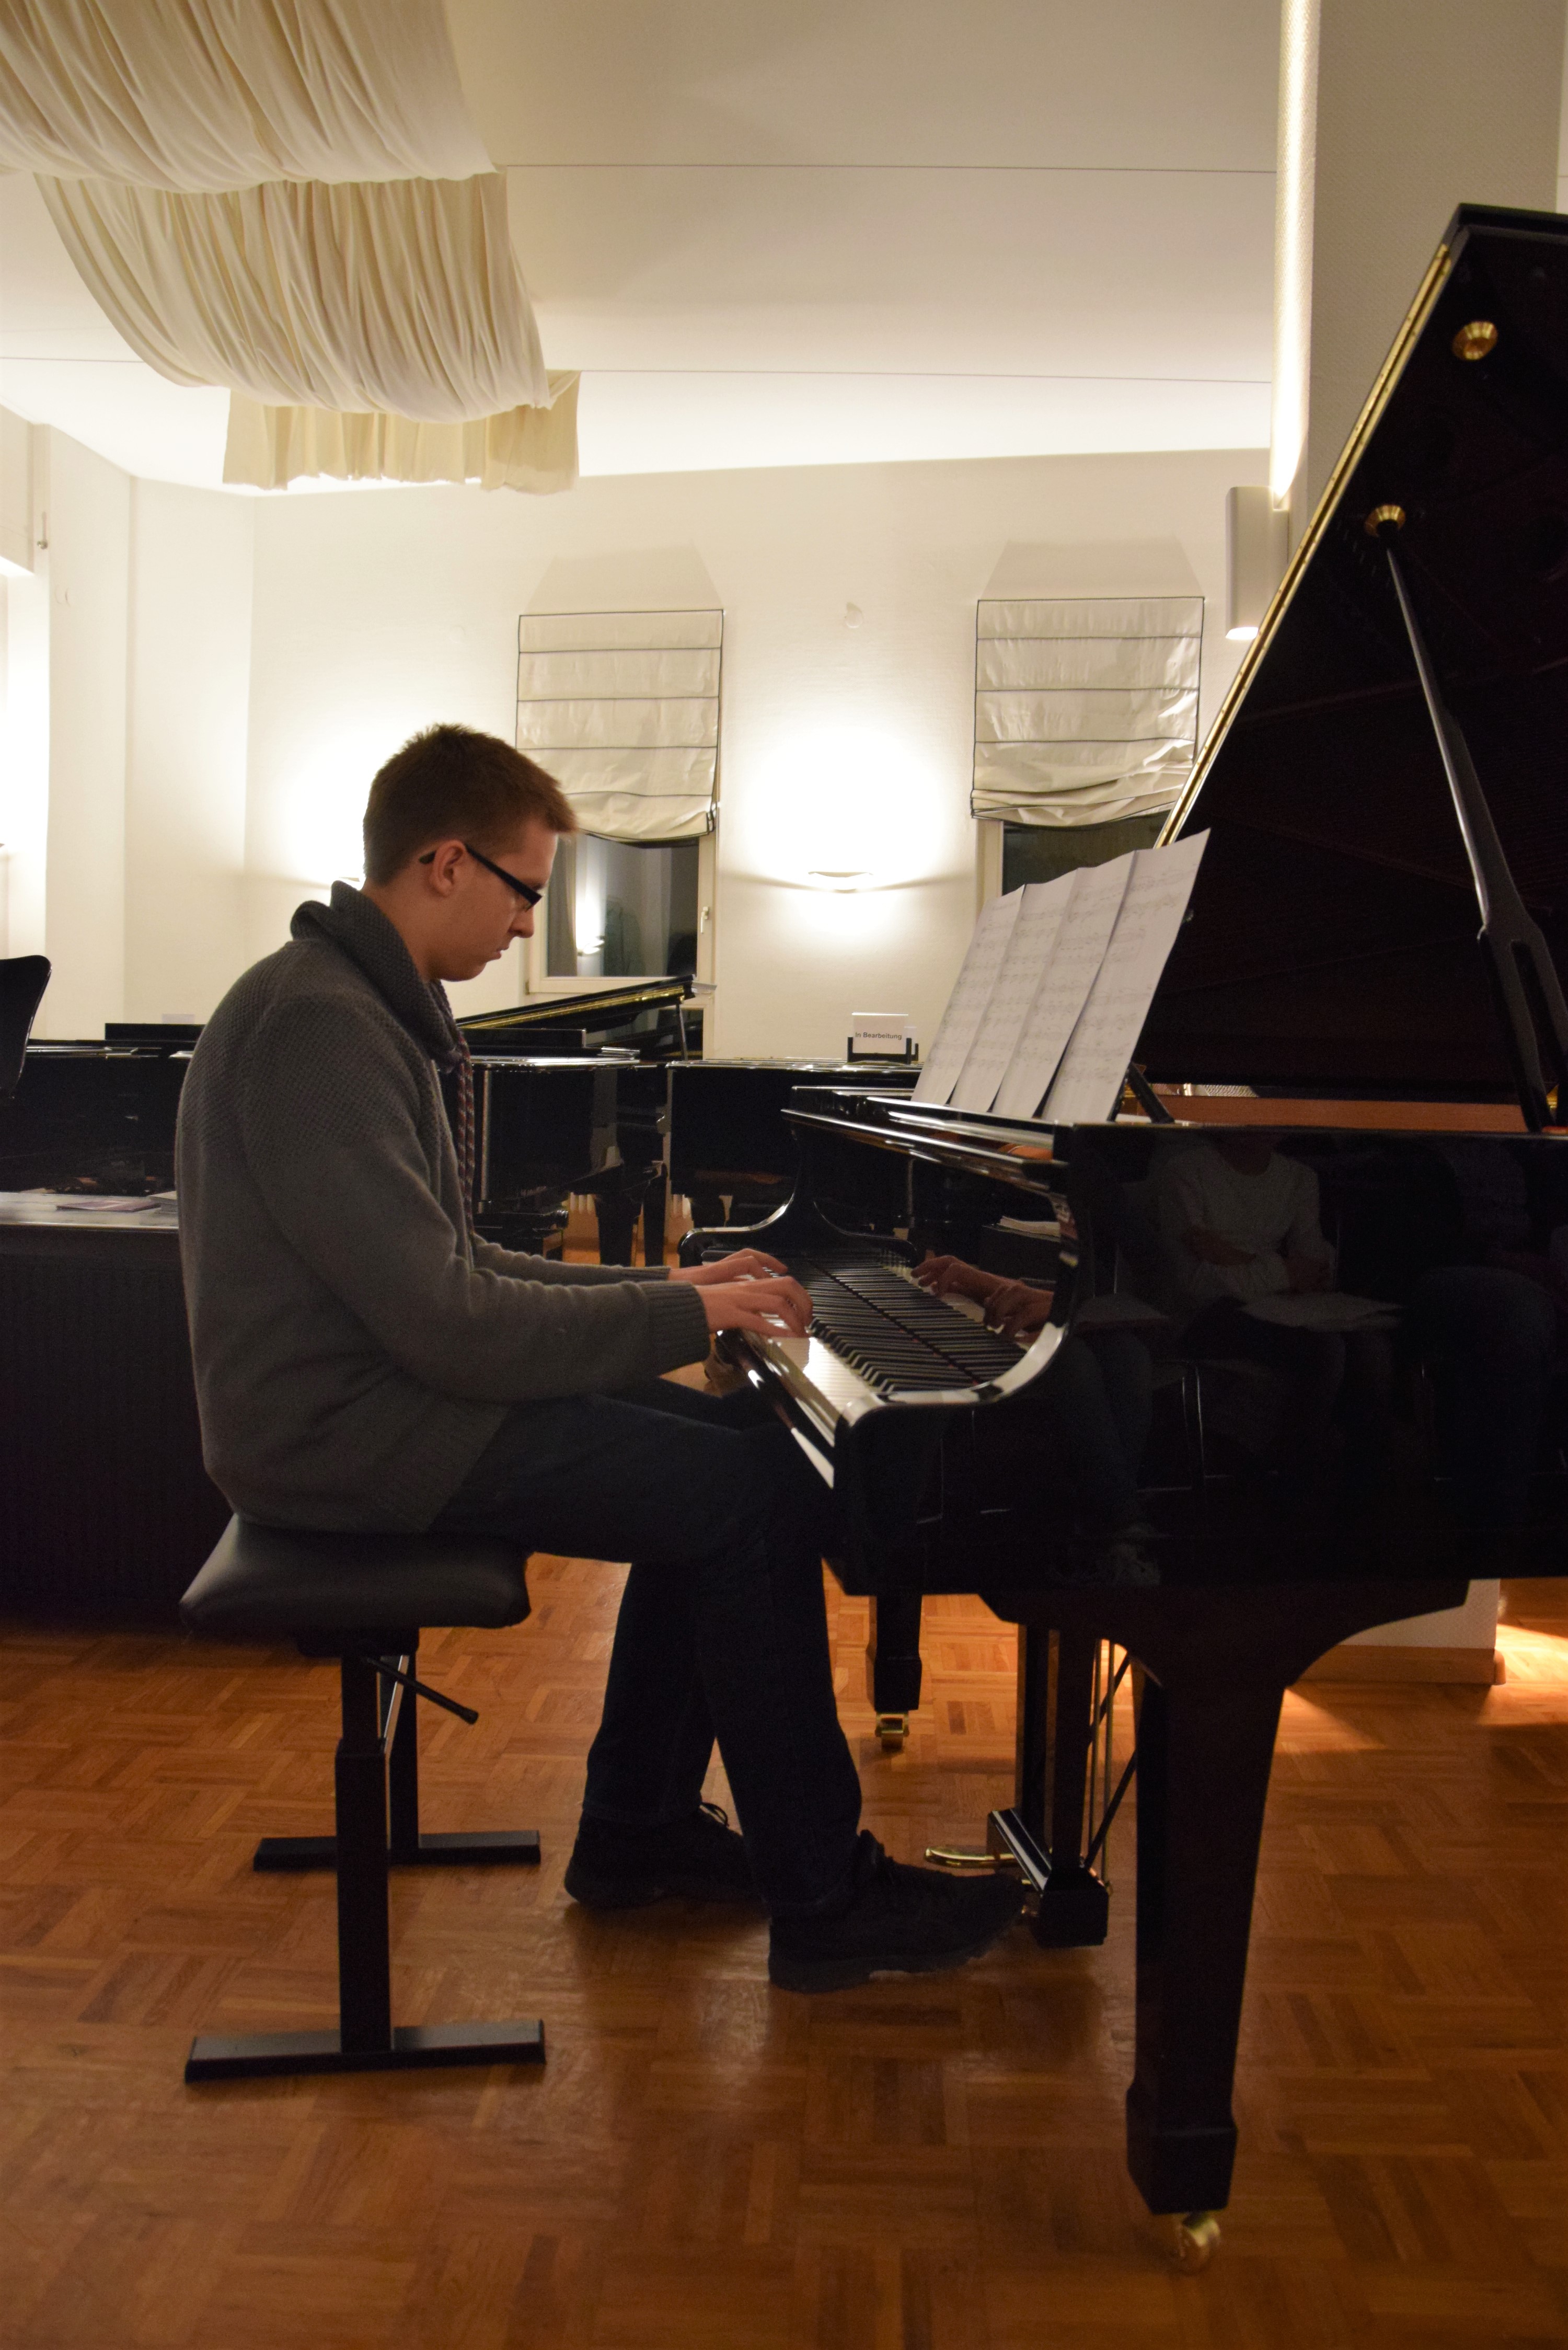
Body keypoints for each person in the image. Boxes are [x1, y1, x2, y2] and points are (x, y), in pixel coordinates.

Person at [176, 723, 1021, 1992]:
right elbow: (453, 1321)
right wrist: (687, 1317)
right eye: (524, 888)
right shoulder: (322, 1028)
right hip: (344, 1438)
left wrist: (675, 1288)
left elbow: (455, 1266)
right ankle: (823, 1896)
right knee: (750, 1502)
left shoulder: (354, 1005)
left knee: (743, 1456)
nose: (529, 921)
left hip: (384, 1400)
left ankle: (639, 1831)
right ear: (445, 863)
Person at [1153, 1132, 1393, 1488]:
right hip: (1202, 1315)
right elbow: (1197, 1285)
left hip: (1275, 1304)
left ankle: (1360, 1487)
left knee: (1371, 1345)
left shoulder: (1297, 1177)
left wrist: (1236, 1258)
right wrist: (1284, 1272)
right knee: (1324, 1351)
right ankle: (1294, 1484)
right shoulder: (1186, 1172)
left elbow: (1312, 1269)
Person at [914, 1255, 1156, 1579]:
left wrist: (1036, 1299)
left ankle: (1110, 1537)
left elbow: (1165, 1301)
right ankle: (1118, 1536)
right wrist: (1005, 1289)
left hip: (1175, 1323)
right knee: (1099, 1358)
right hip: (1118, 1315)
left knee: (1123, 1356)